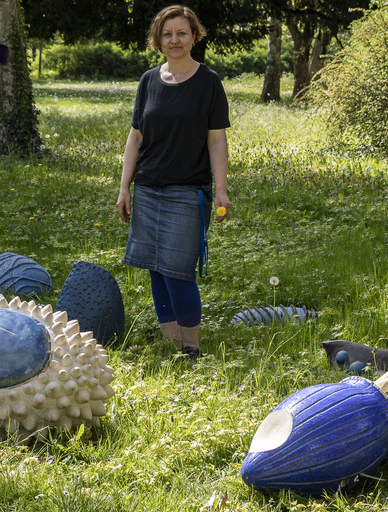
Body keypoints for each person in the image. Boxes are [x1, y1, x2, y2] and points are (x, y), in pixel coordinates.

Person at [117, 5, 231, 358]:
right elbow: (135, 137)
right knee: (156, 268)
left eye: (181, 33)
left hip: (187, 191)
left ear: (194, 36)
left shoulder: (208, 82)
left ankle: (192, 348)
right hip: (147, 188)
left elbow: (216, 140)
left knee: (178, 272)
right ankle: (171, 341)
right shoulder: (149, 80)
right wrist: (124, 187)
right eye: (167, 34)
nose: (174, 40)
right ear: (158, 40)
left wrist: (221, 190)